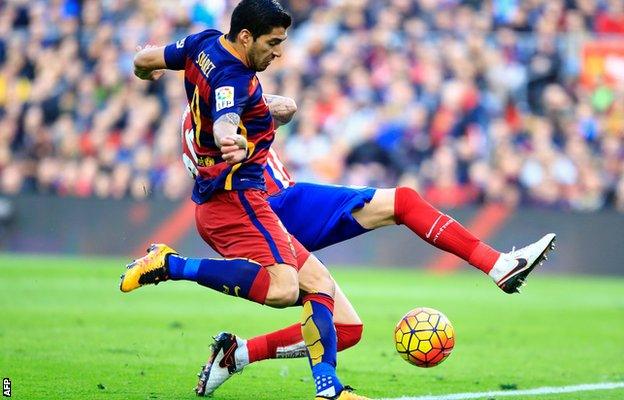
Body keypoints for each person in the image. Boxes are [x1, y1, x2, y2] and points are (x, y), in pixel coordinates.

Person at [178, 102, 557, 396]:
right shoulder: (221, 91)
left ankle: (237, 355)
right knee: (395, 210)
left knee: (346, 328)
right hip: (267, 205)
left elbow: (281, 110)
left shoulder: (213, 96)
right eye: (271, 43)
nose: (274, 53)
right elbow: (280, 109)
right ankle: (327, 388)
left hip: (271, 206)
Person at [120, 1, 369, 399]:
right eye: (273, 43)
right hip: (237, 200)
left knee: (319, 285)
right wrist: (230, 138)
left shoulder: (203, 43)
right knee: (285, 289)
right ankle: (170, 264)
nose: (279, 52)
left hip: (226, 197)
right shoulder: (234, 79)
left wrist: (141, 68)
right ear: (246, 37)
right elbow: (225, 116)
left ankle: (329, 389)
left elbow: (149, 57)